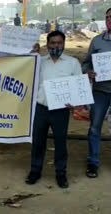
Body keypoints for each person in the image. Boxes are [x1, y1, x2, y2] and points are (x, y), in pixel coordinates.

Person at [25, 30, 82, 188]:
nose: (56, 45)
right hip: (41, 108)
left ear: (64, 44)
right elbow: (25, 74)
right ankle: (35, 171)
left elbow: (78, 86)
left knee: (60, 143)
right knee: (38, 142)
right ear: (47, 44)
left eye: (59, 43)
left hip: (61, 111)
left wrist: (74, 102)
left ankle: (61, 174)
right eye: (52, 43)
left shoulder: (73, 63)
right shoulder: (39, 61)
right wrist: (31, 56)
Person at [83, 8, 111, 179]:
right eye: (107, 17)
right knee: (94, 128)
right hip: (100, 92)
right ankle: (93, 162)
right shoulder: (97, 41)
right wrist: (89, 72)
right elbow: (86, 63)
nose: (109, 20)